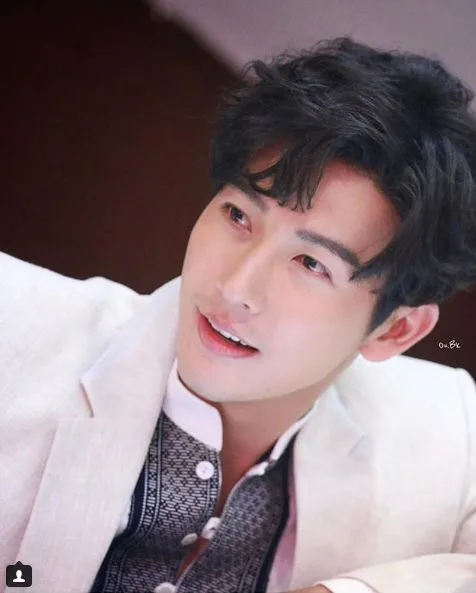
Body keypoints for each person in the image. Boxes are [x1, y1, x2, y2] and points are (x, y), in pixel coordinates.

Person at [1, 37, 475, 593]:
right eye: (238, 216)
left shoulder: (449, 427)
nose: (235, 288)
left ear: (395, 330)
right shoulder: (17, 325)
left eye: (311, 263)